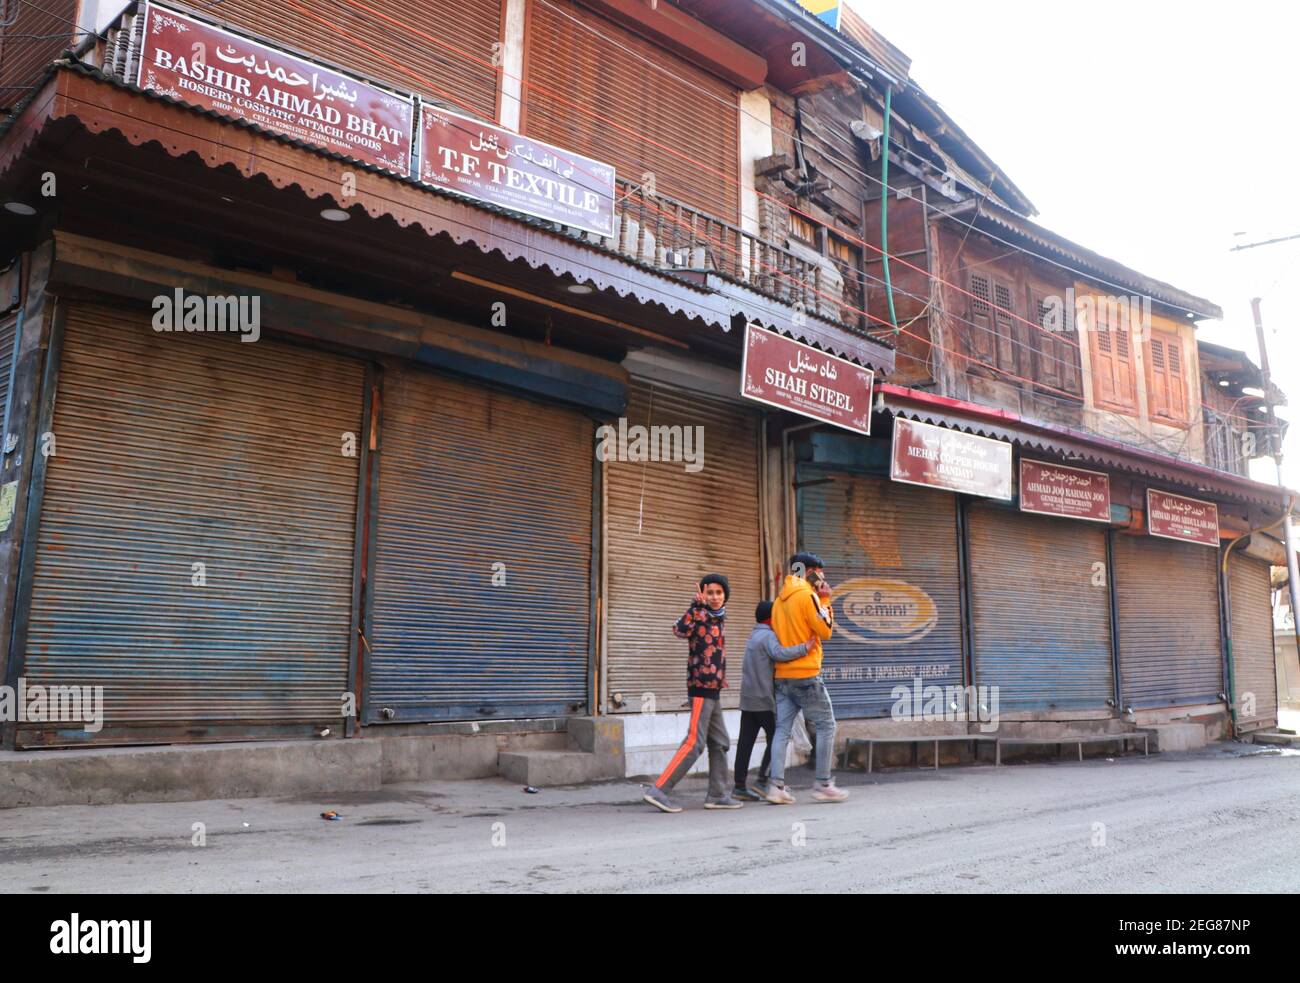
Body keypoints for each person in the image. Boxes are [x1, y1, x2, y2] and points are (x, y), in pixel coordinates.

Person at [643, 574, 740, 813]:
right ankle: (659, 790)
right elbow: (679, 629)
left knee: (720, 742)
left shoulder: (719, 618)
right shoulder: (699, 614)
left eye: (719, 592)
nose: (715, 597)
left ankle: (717, 795)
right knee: (694, 743)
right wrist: (695, 606)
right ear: (703, 594)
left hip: (714, 688)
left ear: (725, 595)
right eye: (710, 592)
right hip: (700, 688)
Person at [766, 552, 848, 804]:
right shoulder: (808, 596)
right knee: (826, 725)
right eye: (818, 571)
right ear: (809, 570)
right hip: (806, 674)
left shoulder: (779, 601)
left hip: (783, 674)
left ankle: (776, 787)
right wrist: (825, 600)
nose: (821, 576)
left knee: (782, 729)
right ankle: (823, 783)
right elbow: (825, 631)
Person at [733, 600, 816, 801]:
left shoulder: (753, 636)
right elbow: (780, 654)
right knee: (778, 738)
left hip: (748, 700)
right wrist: (804, 648)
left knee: (745, 743)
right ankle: (764, 781)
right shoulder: (769, 636)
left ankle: (739, 786)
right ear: (772, 617)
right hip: (764, 700)